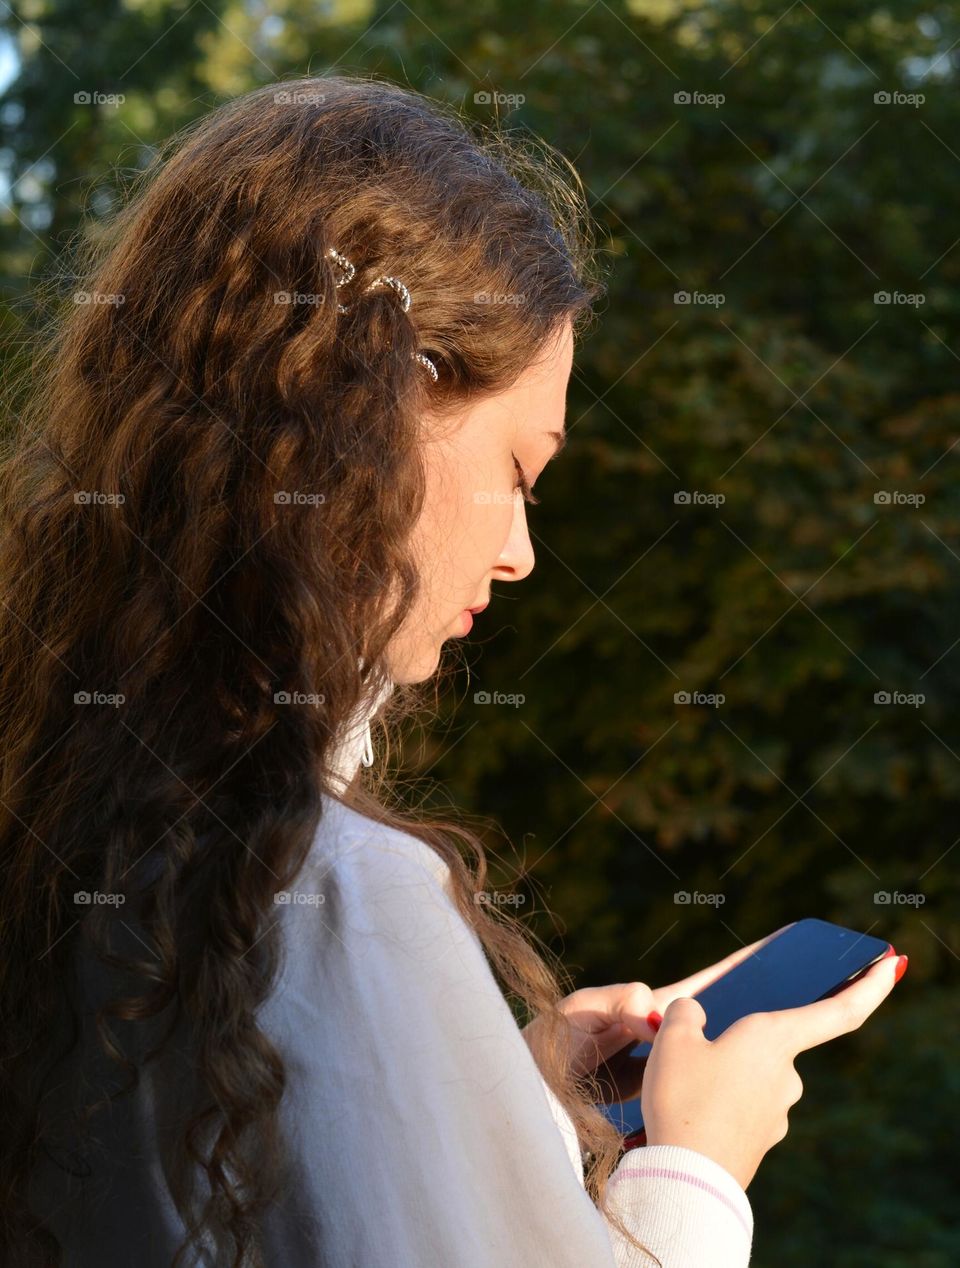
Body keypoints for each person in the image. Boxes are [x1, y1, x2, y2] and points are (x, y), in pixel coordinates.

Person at [0, 73, 907, 1268]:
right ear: (378, 409)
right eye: (522, 469)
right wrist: (698, 1168)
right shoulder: (332, 891)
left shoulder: (70, 805)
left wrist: (491, 1097)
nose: (524, 551)